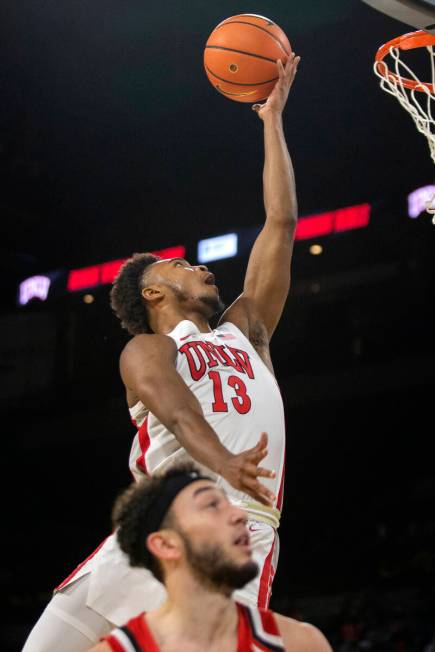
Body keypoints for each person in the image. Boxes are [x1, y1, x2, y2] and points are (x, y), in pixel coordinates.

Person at [22, 53, 300, 652]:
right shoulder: (148, 351)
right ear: (152, 292)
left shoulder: (246, 331)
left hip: (239, 531)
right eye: (181, 265)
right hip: (156, 526)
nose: (200, 265)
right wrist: (224, 463)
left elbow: (279, 222)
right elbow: (179, 414)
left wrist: (271, 120)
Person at [89, 463, 332, 652]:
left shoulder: (301, 643)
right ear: (165, 544)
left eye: (230, 504)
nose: (239, 515)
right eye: (212, 505)